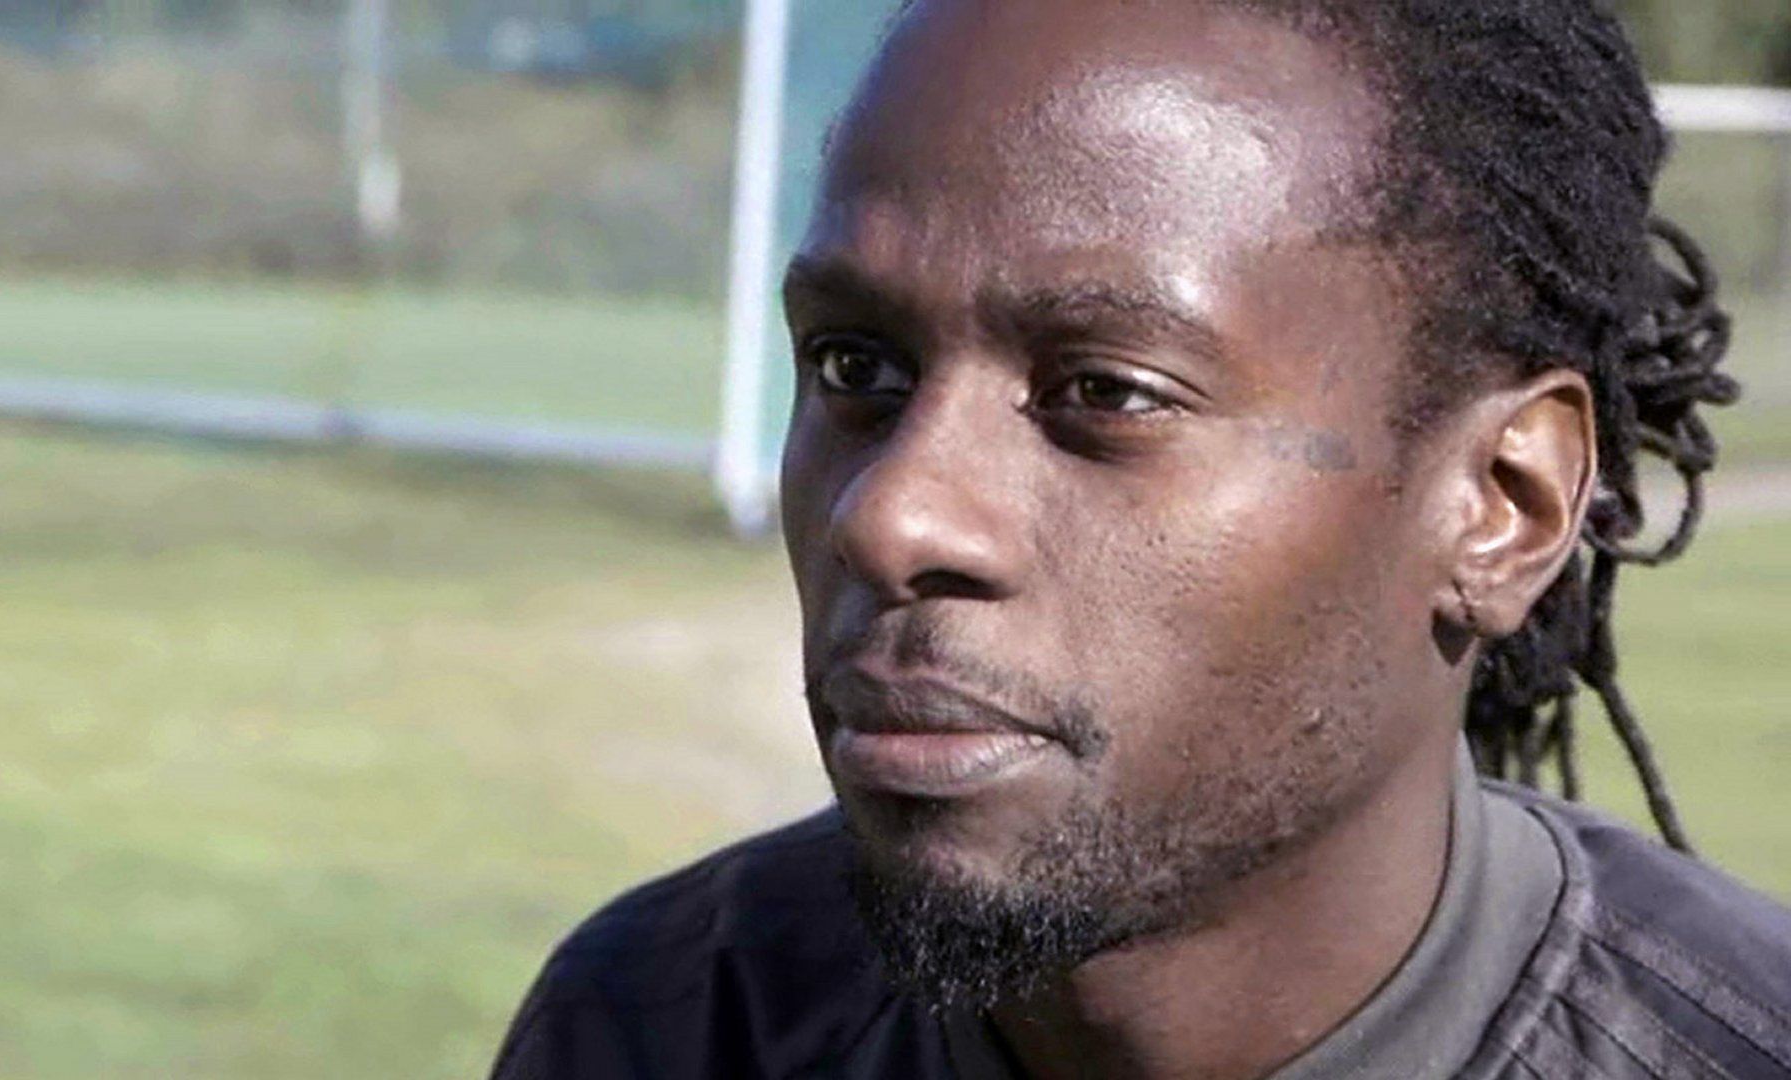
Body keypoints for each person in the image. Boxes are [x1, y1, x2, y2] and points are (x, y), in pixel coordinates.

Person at [495, 0, 1787, 1076]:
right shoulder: (660, 1025)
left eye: (1107, 392)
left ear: (1503, 504)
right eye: (856, 367)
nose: (889, 515)